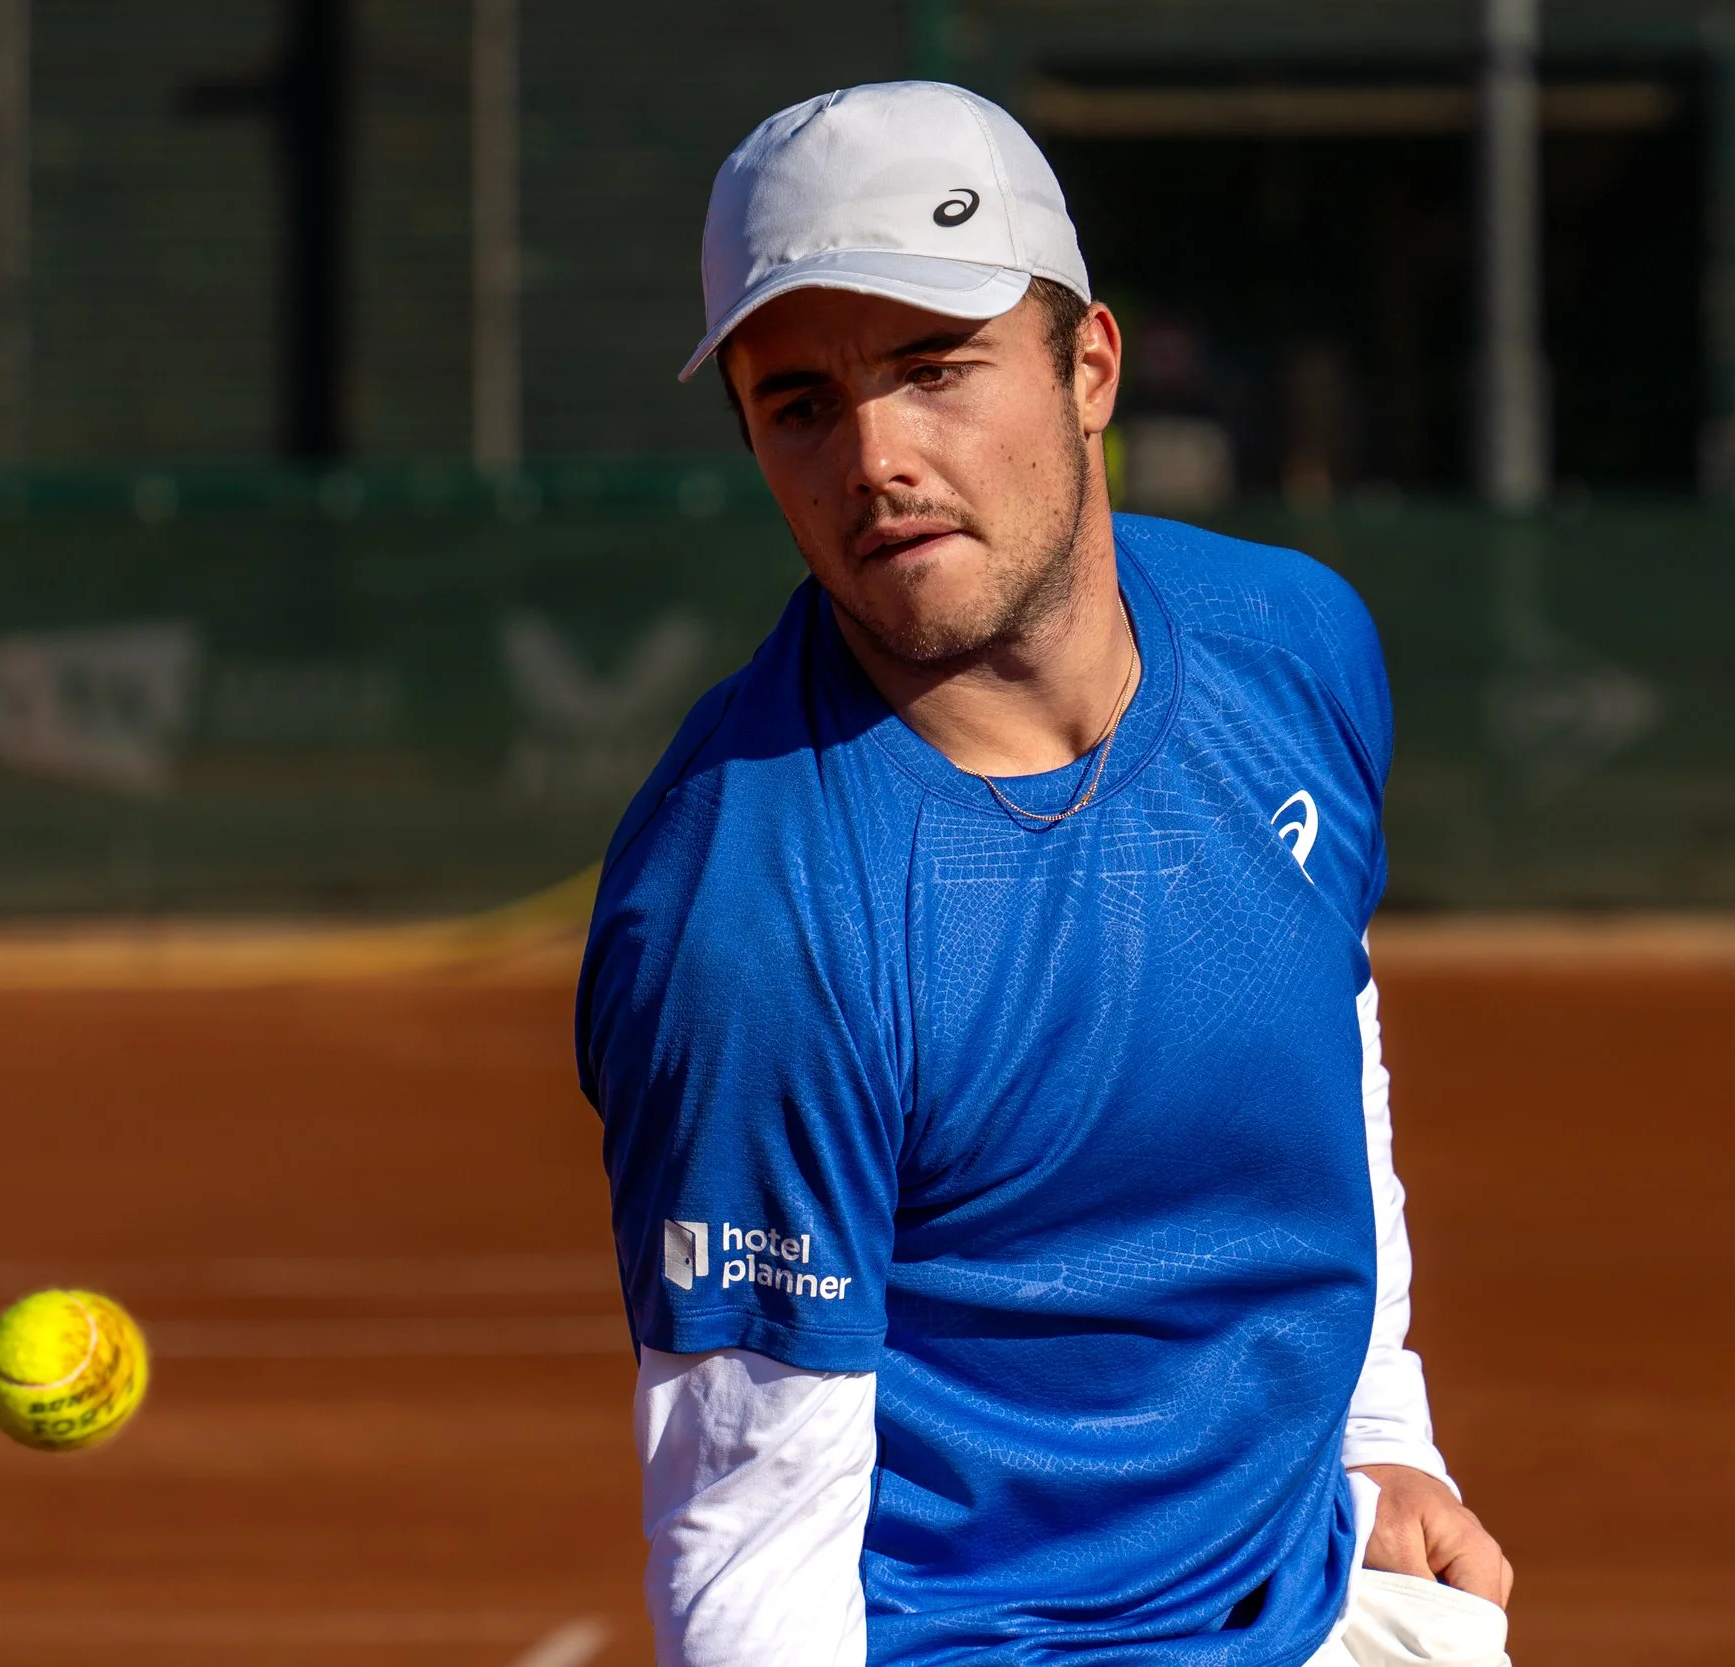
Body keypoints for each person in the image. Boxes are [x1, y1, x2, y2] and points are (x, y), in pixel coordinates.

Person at [576, 82, 1512, 1667]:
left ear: (1088, 368)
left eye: (937, 368)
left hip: (1311, 1589)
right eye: (802, 402)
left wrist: (1377, 1426)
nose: (876, 456)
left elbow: (1324, 1046)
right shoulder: (749, 924)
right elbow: (750, 1546)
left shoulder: (1292, 645)